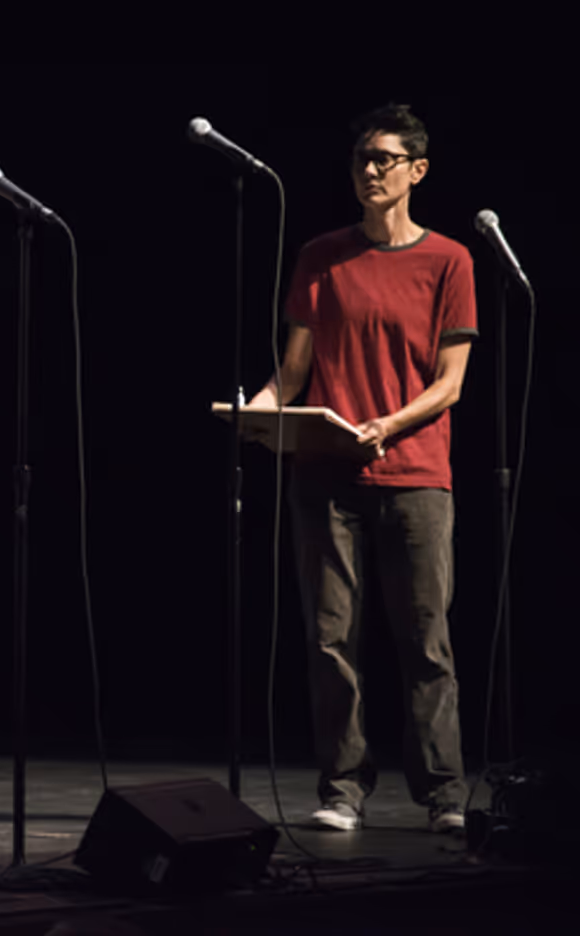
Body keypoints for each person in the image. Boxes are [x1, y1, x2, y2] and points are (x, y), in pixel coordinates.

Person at [247, 104, 476, 834]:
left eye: (384, 159)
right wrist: (259, 410)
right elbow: (293, 371)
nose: (370, 170)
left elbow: (450, 382)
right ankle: (343, 788)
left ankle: (444, 794)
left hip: (415, 475)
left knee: (425, 639)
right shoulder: (321, 256)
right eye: (361, 159)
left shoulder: (449, 260)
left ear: (418, 170)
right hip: (325, 473)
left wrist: (389, 424)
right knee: (330, 639)